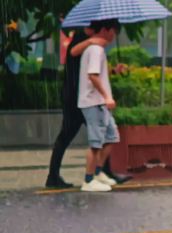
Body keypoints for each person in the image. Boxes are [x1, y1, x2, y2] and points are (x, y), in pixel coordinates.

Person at [46, 26, 131, 189]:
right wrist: (91, 41)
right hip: (75, 97)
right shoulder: (82, 38)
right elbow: (75, 57)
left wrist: (112, 71)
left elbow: (91, 71)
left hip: (86, 96)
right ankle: (58, 176)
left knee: (105, 135)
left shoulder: (93, 44)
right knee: (71, 136)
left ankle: (101, 172)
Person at [78, 19, 121, 192]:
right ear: (105, 29)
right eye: (113, 31)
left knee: (111, 137)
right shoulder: (95, 49)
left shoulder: (97, 49)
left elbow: (98, 73)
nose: (114, 35)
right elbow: (93, 76)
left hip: (100, 103)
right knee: (96, 143)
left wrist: (113, 71)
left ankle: (97, 172)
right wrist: (107, 97)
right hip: (94, 102)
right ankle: (88, 181)